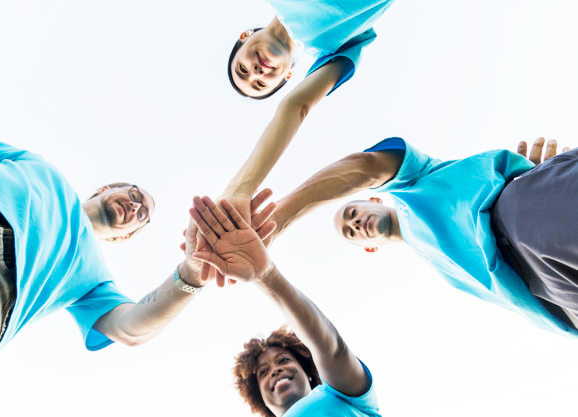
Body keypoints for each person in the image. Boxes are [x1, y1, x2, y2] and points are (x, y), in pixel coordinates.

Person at [0, 125, 275, 391]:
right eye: (134, 195)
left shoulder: (93, 280)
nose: (135, 206)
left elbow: (131, 328)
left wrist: (191, 274)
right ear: (104, 189)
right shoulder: (42, 168)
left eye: (142, 214)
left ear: (125, 236)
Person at [260, 136, 578, 337]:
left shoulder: (413, 180)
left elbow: (365, 166)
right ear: (369, 248)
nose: (354, 224)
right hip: (553, 301)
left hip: (521, 218)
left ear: (374, 198)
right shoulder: (441, 267)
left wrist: (275, 221)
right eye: (349, 232)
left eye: (351, 213)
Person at [189, 196, 381, 416]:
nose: (276, 370)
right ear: (260, 398)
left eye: (283, 360)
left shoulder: (341, 394)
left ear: (309, 372)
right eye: (263, 372)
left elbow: (332, 349)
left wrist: (267, 276)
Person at [220, 0, 395, 231]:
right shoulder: (337, 51)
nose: (256, 72)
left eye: (243, 69)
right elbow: (296, 106)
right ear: (289, 75)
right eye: (261, 83)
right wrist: (238, 191)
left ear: (245, 35)